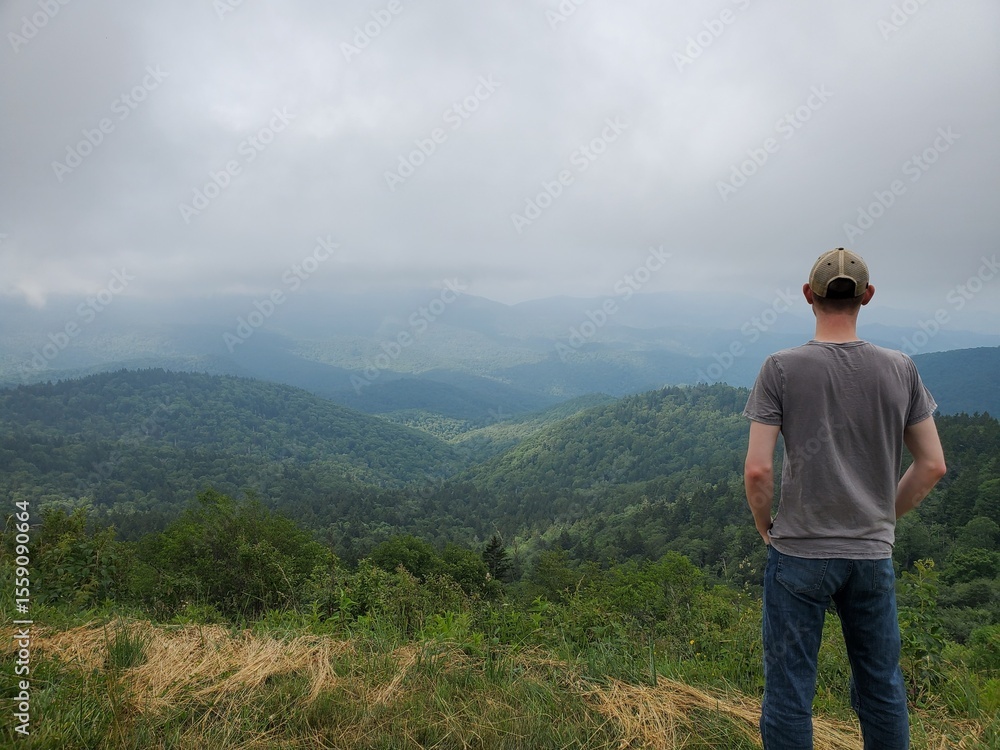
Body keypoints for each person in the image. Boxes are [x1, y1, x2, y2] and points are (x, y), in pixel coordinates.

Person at [742, 248, 948, 750]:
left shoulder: (781, 368)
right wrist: (883, 517)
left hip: (799, 554)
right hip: (871, 554)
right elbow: (932, 465)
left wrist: (765, 524)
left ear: (808, 296)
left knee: (790, 692)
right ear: (867, 297)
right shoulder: (901, 369)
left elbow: (758, 468)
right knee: (881, 688)